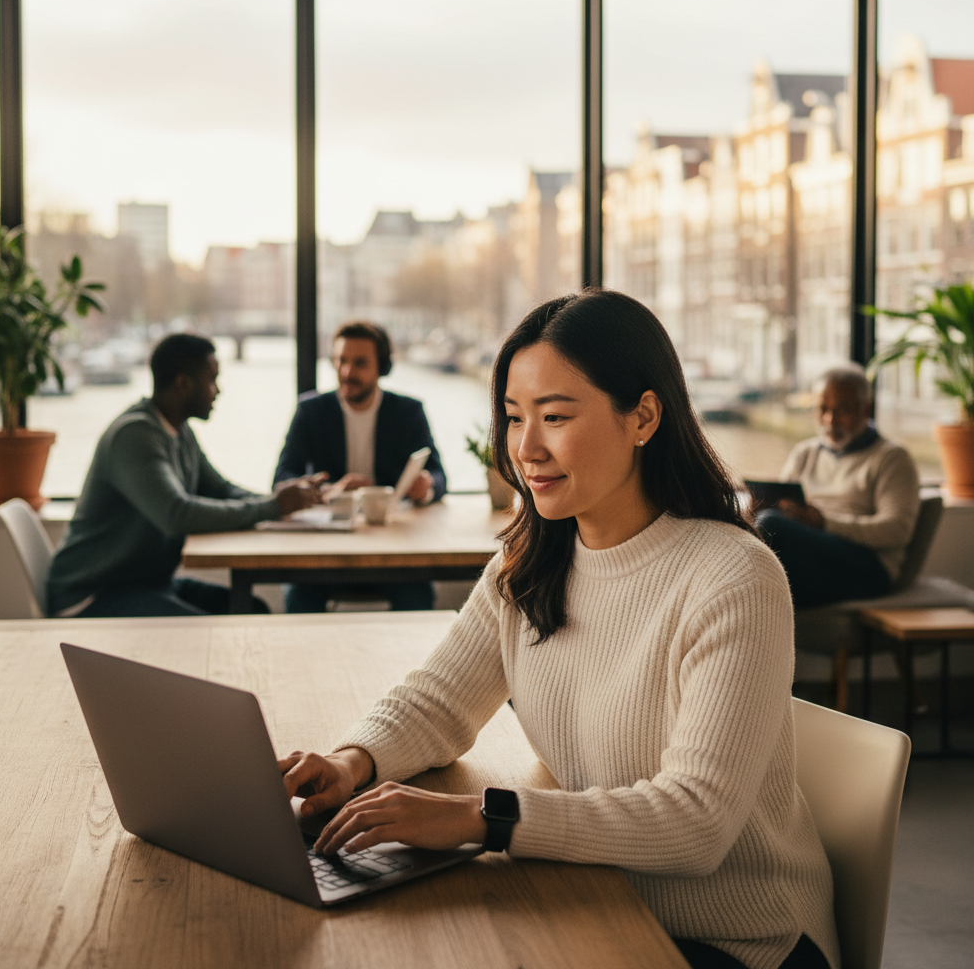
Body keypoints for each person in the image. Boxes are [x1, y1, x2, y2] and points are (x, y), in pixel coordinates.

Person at [278, 292, 838, 969]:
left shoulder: (733, 578)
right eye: (515, 418)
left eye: (555, 416)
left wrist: (482, 818)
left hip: (737, 940)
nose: (525, 448)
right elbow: (439, 700)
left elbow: (698, 823)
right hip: (592, 897)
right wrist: (351, 761)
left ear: (644, 416)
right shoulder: (531, 560)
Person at [46, 333, 323, 618]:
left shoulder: (179, 432)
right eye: (212, 380)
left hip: (145, 586)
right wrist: (274, 506)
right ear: (183, 385)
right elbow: (177, 515)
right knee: (216, 631)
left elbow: (221, 489)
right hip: (93, 595)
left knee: (252, 609)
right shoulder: (134, 436)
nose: (218, 391)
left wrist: (287, 500)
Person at [273, 321, 447, 613]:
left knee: (418, 598)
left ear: (382, 367)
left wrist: (426, 486)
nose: (347, 372)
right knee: (299, 598)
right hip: (324, 554)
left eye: (360, 363)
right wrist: (329, 491)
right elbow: (282, 479)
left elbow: (440, 476)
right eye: (341, 361)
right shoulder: (310, 411)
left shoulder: (408, 411)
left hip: (393, 552)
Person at [753, 365, 920, 609]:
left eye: (842, 410)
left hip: (867, 566)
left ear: (866, 409)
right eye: (823, 409)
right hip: (812, 553)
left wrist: (824, 523)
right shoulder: (805, 453)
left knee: (770, 526)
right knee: (755, 528)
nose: (830, 420)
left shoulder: (892, 458)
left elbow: (897, 531)